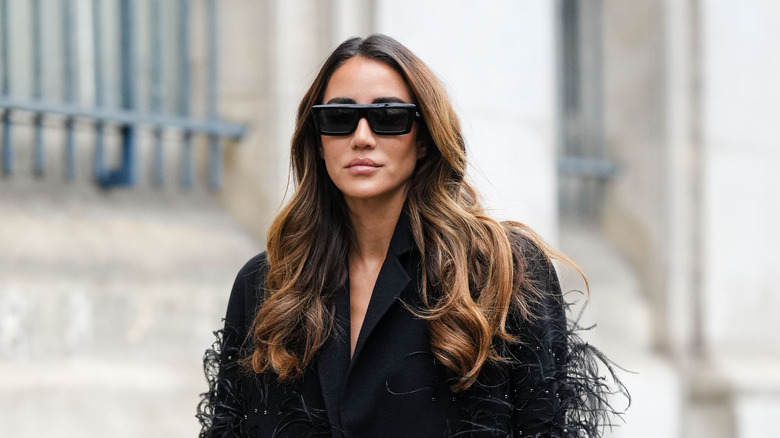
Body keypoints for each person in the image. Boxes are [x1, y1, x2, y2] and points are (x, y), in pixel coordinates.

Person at [197, 34, 627, 438]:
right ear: (318, 139)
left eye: (388, 117)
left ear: (423, 139)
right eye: (338, 118)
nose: (361, 138)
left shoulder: (503, 271)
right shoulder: (267, 285)